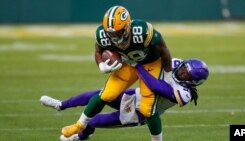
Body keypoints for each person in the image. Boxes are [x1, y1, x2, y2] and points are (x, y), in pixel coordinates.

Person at [59, 5, 173, 139]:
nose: (114, 36)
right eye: (110, 33)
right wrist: (101, 64)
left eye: (118, 32)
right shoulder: (102, 34)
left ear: (127, 27)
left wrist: (168, 76)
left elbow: (164, 51)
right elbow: (98, 51)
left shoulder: (142, 31)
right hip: (128, 64)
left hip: (150, 64)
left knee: (147, 109)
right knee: (106, 94)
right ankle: (79, 125)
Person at [40, 58, 209, 141]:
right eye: (184, 68)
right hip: (134, 95)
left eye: (186, 74)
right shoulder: (175, 63)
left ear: (193, 81)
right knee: (100, 95)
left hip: (140, 112)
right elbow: (152, 60)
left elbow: (156, 86)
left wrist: (137, 66)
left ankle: (80, 137)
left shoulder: (186, 93)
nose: (182, 72)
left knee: (93, 122)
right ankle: (61, 105)